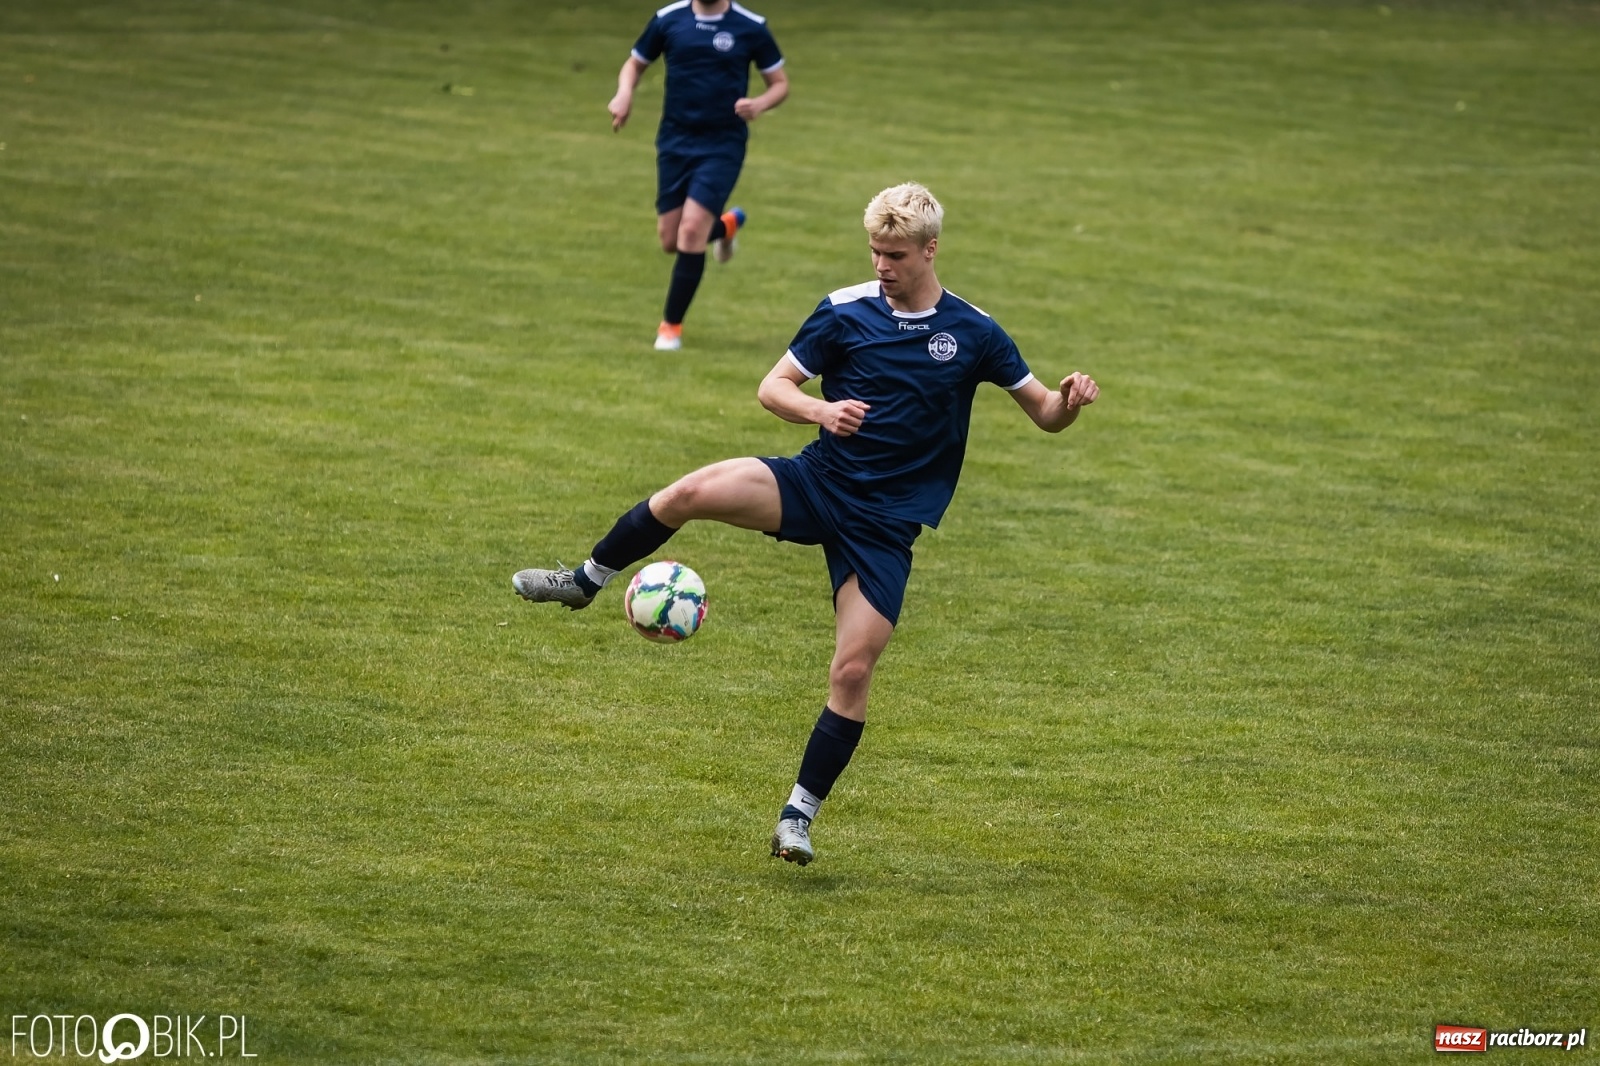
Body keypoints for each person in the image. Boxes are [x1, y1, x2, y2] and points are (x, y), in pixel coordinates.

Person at [513, 183, 1099, 865]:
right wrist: (821, 412)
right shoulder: (845, 311)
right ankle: (584, 580)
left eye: (895, 255)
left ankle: (797, 817)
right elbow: (773, 387)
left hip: (885, 527)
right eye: (875, 251)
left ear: (930, 250)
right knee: (689, 491)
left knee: (852, 671)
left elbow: (1045, 414)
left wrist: (1069, 400)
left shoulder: (974, 331)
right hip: (817, 483)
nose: (881, 265)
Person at [608, 0, 790, 352]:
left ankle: (670, 328)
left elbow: (779, 84)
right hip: (674, 142)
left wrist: (759, 104)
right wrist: (624, 93)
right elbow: (635, 63)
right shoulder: (668, 20)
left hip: (722, 145)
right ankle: (726, 226)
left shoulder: (750, 26)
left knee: (691, 231)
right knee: (670, 240)